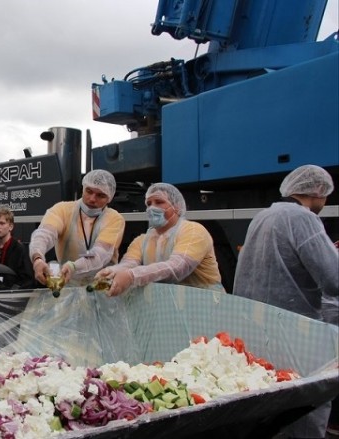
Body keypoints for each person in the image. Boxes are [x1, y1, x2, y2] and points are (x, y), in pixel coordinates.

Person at [232, 164, 337, 439]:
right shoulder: (303, 218)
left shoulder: (263, 216)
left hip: (259, 328)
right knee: (307, 402)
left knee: (272, 402)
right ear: (317, 191)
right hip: (296, 330)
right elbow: (333, 280)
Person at [95, 182, 223, 296]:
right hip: (171, 310)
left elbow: (177, 268)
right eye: (149, 203)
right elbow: (129, 264)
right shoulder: (142, 241)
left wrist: (131, 276)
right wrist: (111, 273)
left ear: (176, 206)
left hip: (207, 306)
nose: (152, 208)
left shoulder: (193, 231)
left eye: (159, 202)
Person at [29, 169, 125, 286]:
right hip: (67, 283)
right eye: (89, 191)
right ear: (83, 188)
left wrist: (73, 266)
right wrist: (37, 258)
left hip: (100, 286)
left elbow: (100, 254)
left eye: (100, 195)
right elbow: (44, 234)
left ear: (109, 198)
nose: (92, 199)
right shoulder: (62, 210)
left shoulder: (114, 219)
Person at [0, 207, 34, 289]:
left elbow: (28, 280)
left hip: (13, 296)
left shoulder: (19, 250)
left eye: (2, 223)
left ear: (11, 227)